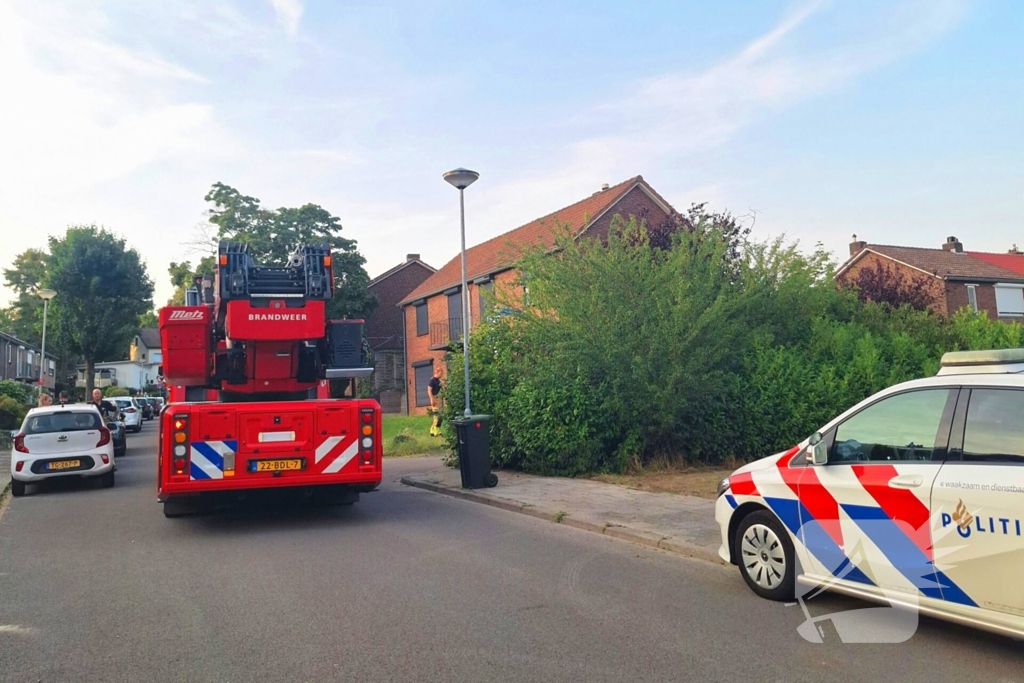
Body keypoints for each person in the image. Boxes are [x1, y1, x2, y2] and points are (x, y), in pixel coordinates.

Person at [428, 366, 443, 437]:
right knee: (436, 415)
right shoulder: (432, 380)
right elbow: (429, 390)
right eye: (441, 373)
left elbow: (442, 388)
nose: (442, 374)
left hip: (438, 398)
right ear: (437, 372)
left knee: (440, 415)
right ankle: (435, 430)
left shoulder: (438, 380)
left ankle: (432, 429)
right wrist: (432, 399)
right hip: (434, 397)